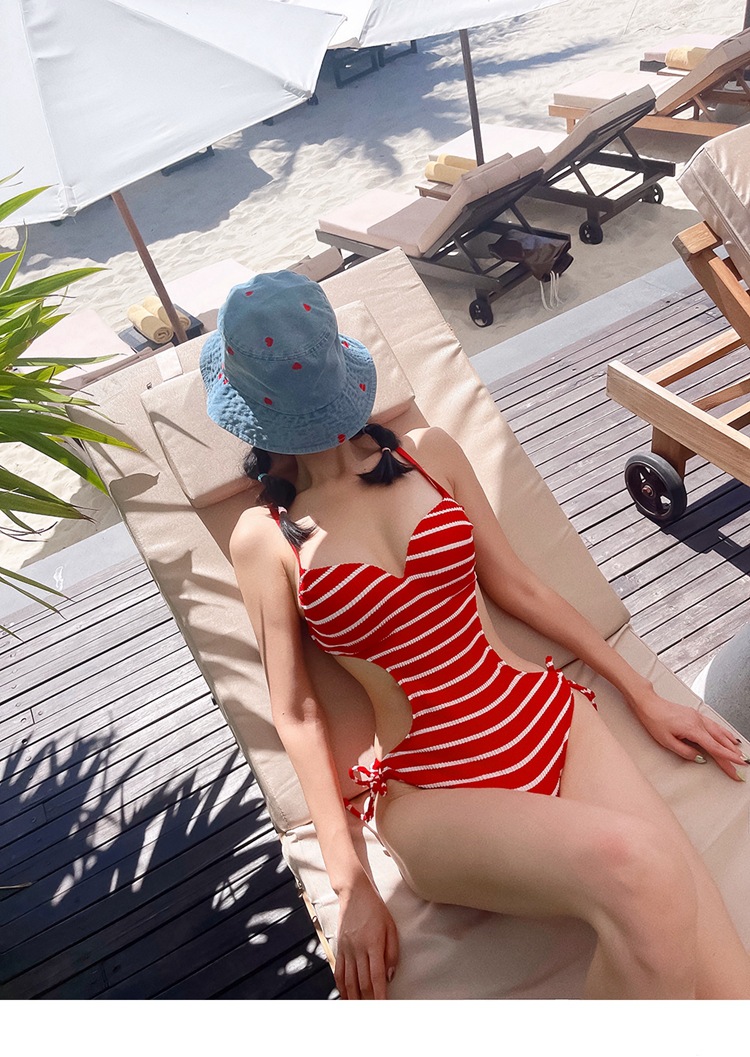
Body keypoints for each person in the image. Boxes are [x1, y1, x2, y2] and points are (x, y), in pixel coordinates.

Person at [201, 270, 750, 1001]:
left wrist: (644, 694)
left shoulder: (428, 452)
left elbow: (520, 586)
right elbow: (296, 711)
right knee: (643, 866)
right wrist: (348, 880)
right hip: (430, 787)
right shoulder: (264, 537)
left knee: (730, 981)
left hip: (548, 719)